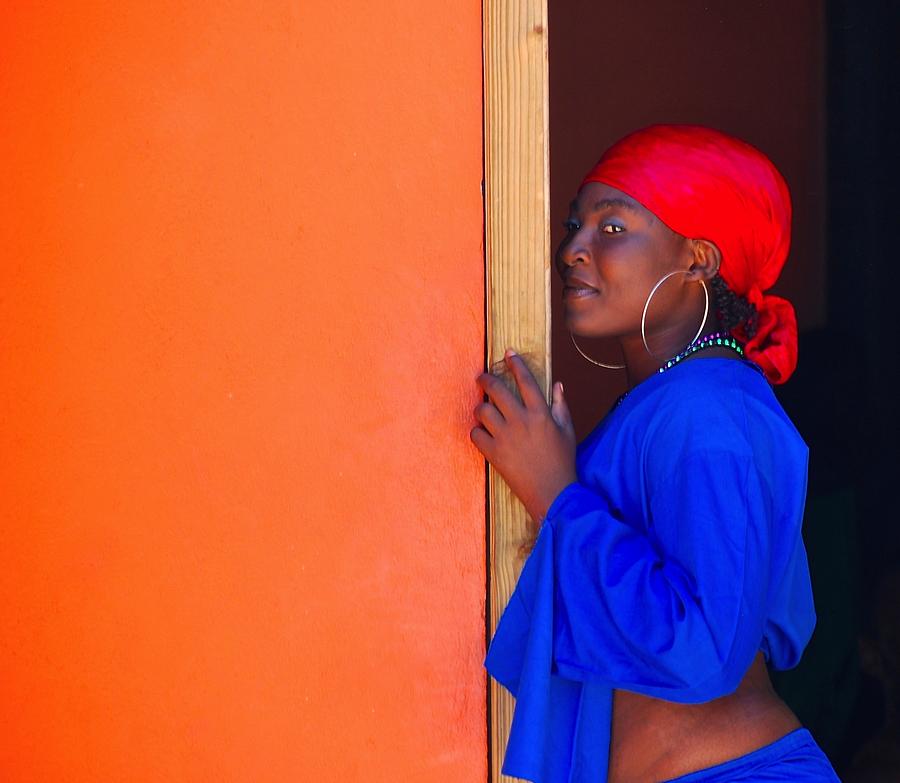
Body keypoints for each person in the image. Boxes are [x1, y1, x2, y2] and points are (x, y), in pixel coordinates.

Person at [470, 124, 843, 782]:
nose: (573, 250)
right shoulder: (686, 401)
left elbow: (704, 645)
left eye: (611, 228)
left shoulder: (707, 407)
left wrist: (556, 494)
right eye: (573, 226)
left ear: (698, 258)